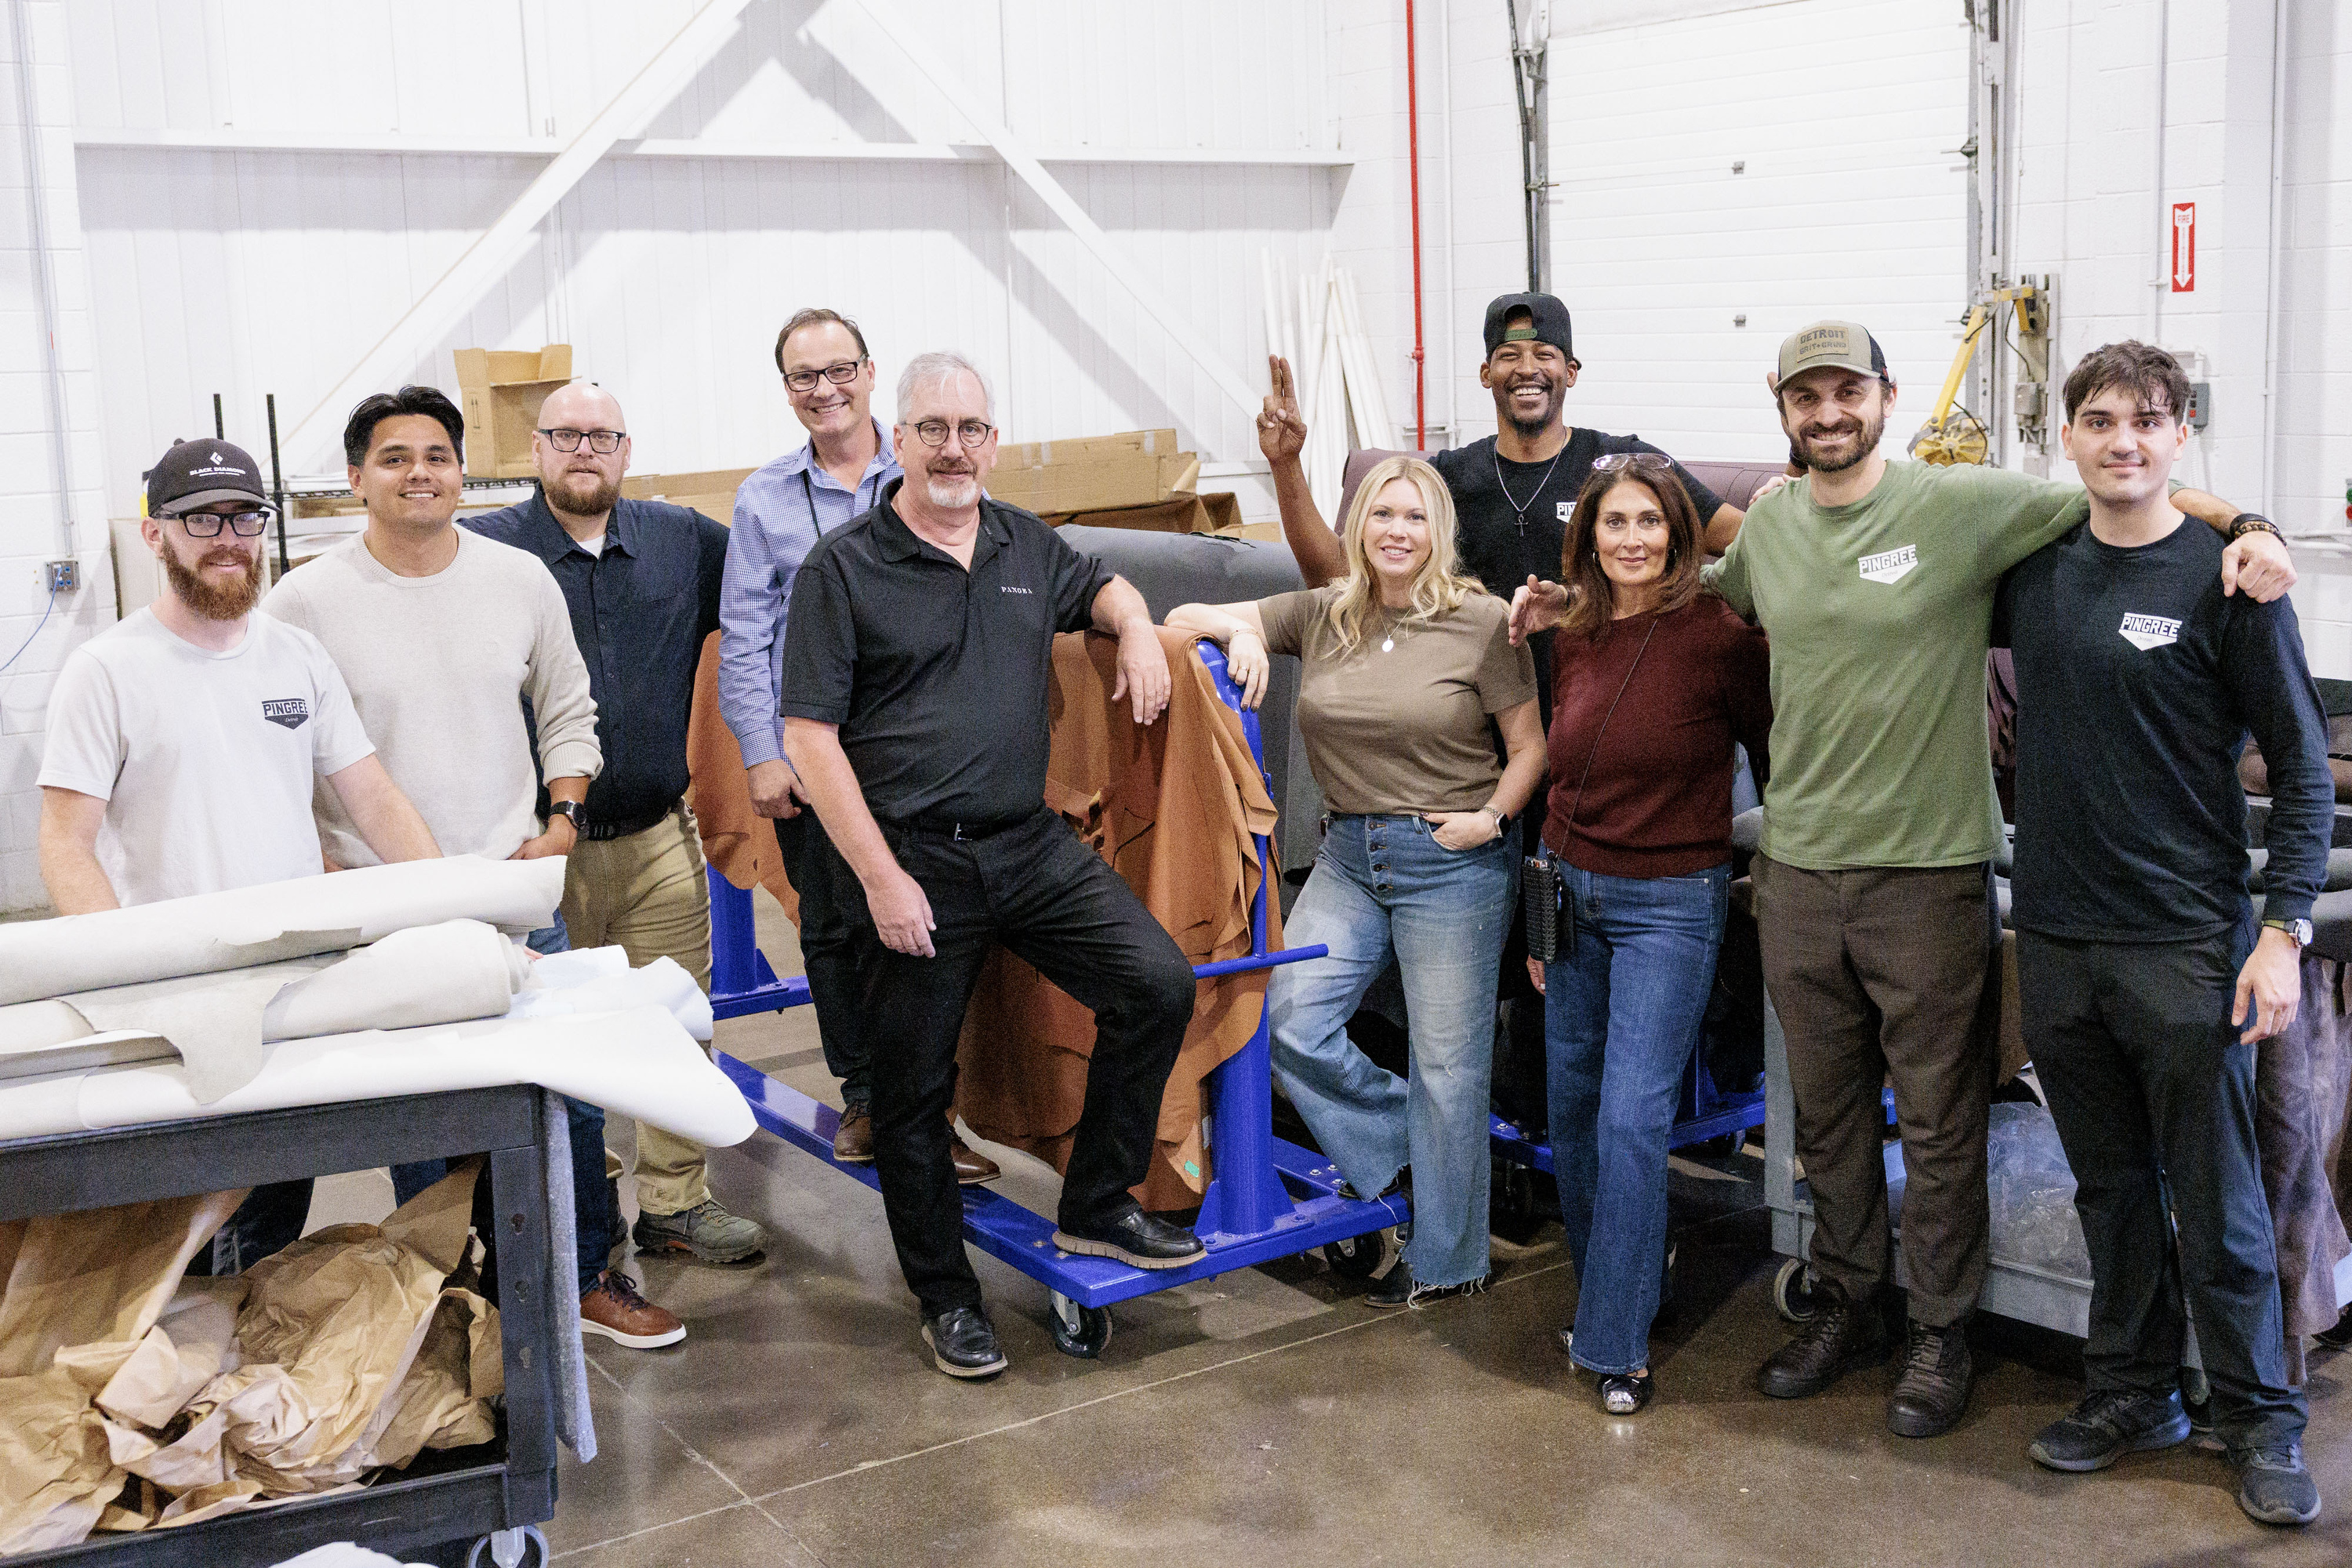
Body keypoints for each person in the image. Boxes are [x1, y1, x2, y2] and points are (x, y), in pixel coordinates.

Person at [1692, 319, 2296, 1439]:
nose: (1829, 413)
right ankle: (1845, 1301)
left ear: (1885, 396)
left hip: (1930, 869)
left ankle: (1941, 1329)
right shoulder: (1772, 523)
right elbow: (1713, 575)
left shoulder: (1960, 508)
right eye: (1807, 396)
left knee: (1938, 1119)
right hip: (1801, 866)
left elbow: (2128, 495)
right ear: (1780, 404)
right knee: (1824, 1122)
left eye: (1848, 392)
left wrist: (2252, 525)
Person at [780, 350, 1203, 1380]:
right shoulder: (845, 570)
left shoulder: (1023, 542)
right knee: (913, 1093)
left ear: (993, 441)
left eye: (971, 428)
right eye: (933, 428)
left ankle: (1098, 1207)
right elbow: (808, 739)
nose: (954, 447)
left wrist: (1138, 626)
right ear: (901, 439)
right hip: (912, 858)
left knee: (1156, 985)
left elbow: (1098, 586)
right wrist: (881, 878)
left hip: (1025, 844)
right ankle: (945, 1295)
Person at [263, 384, 685, 1351]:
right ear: (359, 477)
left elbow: (568, 707)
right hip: (381, 911)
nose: (420, 473)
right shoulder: (304, 604)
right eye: (395, 457)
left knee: (566, 1096)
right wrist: (322, 861)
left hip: (512, 889)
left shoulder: (516, 579)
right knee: (424, 1115)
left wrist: (565, 817)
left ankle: (582, 1274)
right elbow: (272, 751)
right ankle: (449, 1291)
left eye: (437, 455)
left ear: (463, 470)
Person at [1998, 342, 2328, 1526]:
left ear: (2179, 433)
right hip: (2058, 939)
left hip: (2185, 943)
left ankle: (2261, 1421)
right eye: (2098, 420)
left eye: (2146, 421)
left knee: (2219, 1196)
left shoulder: (2230, 582)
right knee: (2109, 1191)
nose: (2121, 440)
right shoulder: (2034, 570)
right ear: (2069, 437)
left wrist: (2281, 931)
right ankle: (2134, 1392)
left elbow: (2299, 773)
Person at [38, 436, 440, 1274]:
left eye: (246, 517)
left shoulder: (296, 655)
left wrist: (452, 907)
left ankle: (248, 1392)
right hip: (173, 1004)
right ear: (155, 534)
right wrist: (124, 977)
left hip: (290, 991)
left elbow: (375, 799)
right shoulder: (105, 670)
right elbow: (66, 842)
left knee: (268, 1227)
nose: (229, 537)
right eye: (202, 519)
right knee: (186, 1244)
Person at [1167, 455, 1543, 1306]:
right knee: (1284, 1015)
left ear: (1437, 531)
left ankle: (1449, 1261)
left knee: (1450, 1067)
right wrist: (1245, 632)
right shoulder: (1323, 612)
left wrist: (1491, 819)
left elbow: (1529, 747)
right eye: (1382, 515)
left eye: (1415, 517)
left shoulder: (1482, 622)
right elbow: (1186, 613)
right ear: (1360, 527)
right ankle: (1422, 1149)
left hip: (1451, 859)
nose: (1397, 532)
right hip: (1349, 855)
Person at [467, 380, 770, 1268]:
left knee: (679, 1021)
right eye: (565, 434)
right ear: (536, 450)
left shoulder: (680, 542)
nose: (584, 449)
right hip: (532, 852)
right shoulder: (485, 552)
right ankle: (579, 1207)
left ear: (627, 449)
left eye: (602, 435)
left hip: (653, 838)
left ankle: (677, 1203)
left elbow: (772, 593)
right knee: (555, 1044)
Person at [1506, 455, 1771, 1413]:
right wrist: (1543, 908)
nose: (1632, 539)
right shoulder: (1572, 636)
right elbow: (1564, 781)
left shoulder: (1721, 635)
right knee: (1571, 1112)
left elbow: (1776, 752)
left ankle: (1616, 1345)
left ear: (1680, 533)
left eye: (1650, 522)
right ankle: (1628, 1286)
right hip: (1573, 892)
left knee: (1629, 1117)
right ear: (1590, 539)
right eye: (1614, 522)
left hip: (1672, 903)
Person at [718, 307, 996, 1182]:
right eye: (804, 376)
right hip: (816, 751)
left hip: (918, 753)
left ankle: (934, 1112)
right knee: (835, 930)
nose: (825, 389)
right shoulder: (766, 498)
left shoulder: (926, 460)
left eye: (839, 369)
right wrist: (763, 753)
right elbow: (746, 631)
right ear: (787, 390)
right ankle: (869, 1097)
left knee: (927, 936)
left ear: (872, 372)